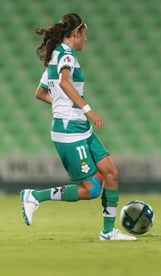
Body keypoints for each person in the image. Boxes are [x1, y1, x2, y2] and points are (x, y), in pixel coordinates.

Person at [20, 13, 136, 241]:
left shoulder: (57, 55)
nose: (86, 39)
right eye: (85, 34)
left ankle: (108, 232)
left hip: (79, 126)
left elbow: (40, 93)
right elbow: (63, 82)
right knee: (91, 189)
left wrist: (66, 106)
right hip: (69, 130)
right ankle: (35, 196)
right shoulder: (65, 53)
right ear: (76, 33)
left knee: (111, 173)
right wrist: (87, 109)